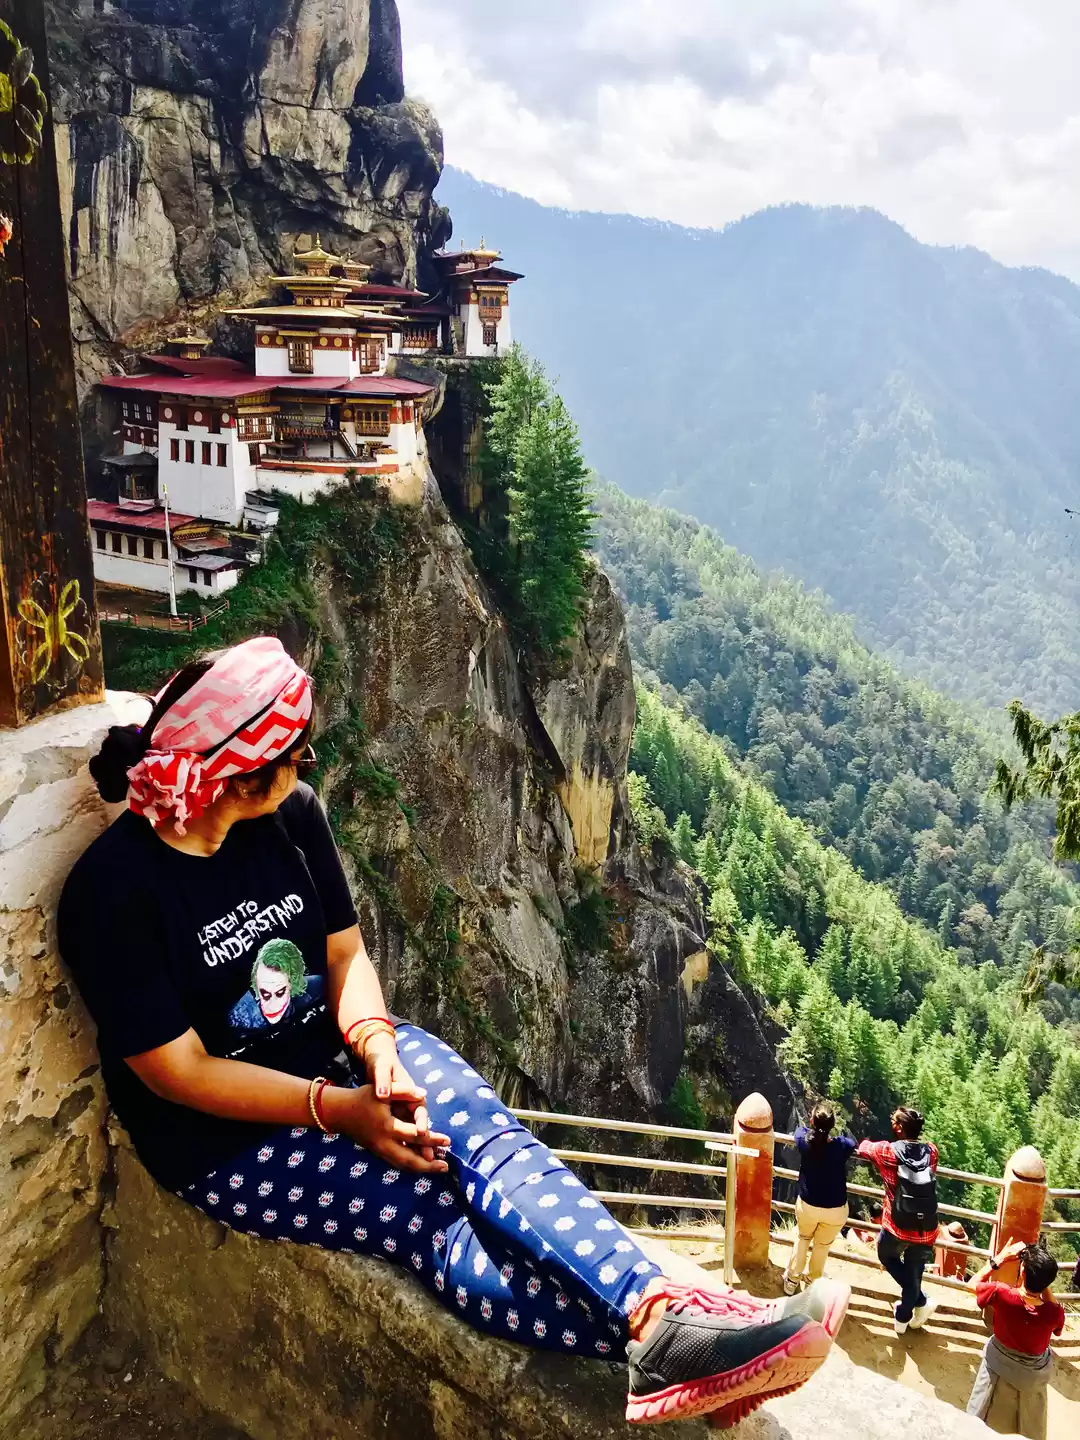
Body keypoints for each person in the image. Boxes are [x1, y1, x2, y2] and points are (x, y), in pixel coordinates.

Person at [58, 639, 850, 1429]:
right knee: (423, 1212)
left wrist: (376, 1049)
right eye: (291, 753)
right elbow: (179, 1072)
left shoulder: (290, 818)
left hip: (340, 1059)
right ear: (239, 773)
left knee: (491, 1146)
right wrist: (338, 1109)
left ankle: (662, 1315)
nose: (303, 767)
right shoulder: (112, 891)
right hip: (223, 1140)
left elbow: (343, 954)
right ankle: (682, 1341)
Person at [966, 1237, 1065, 1438]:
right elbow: (1056, 1318)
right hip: (1032, 1375)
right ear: (1048, 1283)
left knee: (977, 1418)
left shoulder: (1001, 1293)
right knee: (1031, 1427)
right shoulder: (1053, 1313)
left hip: (998, 1363)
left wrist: (1000, 1258)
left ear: (1022, 1272)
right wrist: (1041, 1279)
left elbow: (972, 1284)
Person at [856, 1106, 939, 1336]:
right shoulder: (932, 1151)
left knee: (886, 1255)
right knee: (915, 1270)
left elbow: (863, 1147)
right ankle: (918, 1304)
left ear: (899, 1128)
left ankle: (905, 1315)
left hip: (897, 1226)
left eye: (894, 1121)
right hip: (926, 1227)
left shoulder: (886, 1151)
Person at [783, 1106, 856, 1295]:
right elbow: (851, 1141)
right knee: (822, 1246)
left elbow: (800, 1131)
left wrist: (812, 1128)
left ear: (812, 1122)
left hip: (809, 1205)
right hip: (836, 1208)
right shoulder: (841, 1146)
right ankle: (812, 1282)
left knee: (803, 1238)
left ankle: (792, 1280)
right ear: (832, 1125)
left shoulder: (804, 1141)